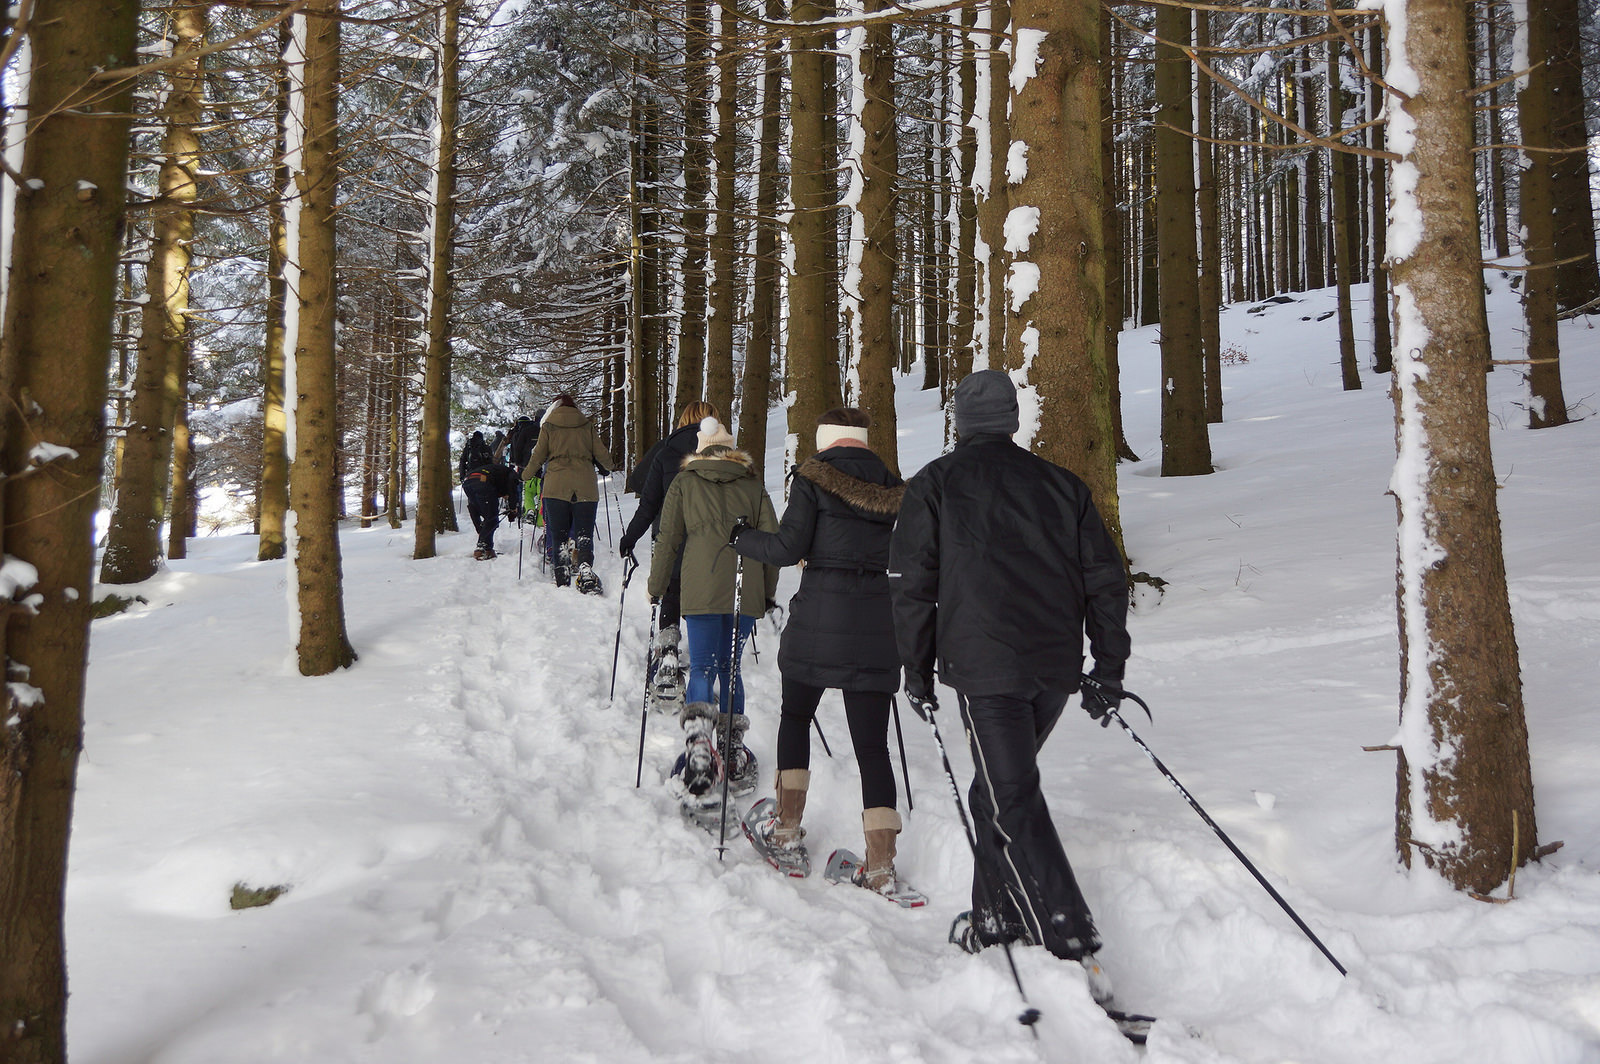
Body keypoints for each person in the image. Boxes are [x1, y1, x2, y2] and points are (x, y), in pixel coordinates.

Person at [888, 369, 1131, 1003]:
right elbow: (1107, 580)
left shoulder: (936, 483)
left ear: (961, 422)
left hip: (986, 668)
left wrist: (915, 670)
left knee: (1010, 793)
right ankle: (994, 916)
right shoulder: (1061, 485)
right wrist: (1106, 667)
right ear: (1012, 419)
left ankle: (1067, 930)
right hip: (1051, 666)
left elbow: (911, 586)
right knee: (993, 788)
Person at [730, 408, 923, 905]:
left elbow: (788, 546)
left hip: (820, 617)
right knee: (872, 747)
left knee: (795, 716)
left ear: (826, 441)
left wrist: (741, 538)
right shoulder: (894, 487)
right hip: (877, 624)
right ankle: (880, 867)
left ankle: (788, 831)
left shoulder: (812, 478)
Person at [648, 416, 779, 801]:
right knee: (730, 667)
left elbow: (667, 538)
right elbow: (772, 542)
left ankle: (699, 744)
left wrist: (656, 587)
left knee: (704, 665)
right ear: (731, 449)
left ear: (701, 448)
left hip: (701, 586)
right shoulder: (753, 485)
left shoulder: (685, 482)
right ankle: (732, 748)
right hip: (746, 587)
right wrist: (766, 593)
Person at [620, 400, 720, 706]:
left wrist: (630, 537)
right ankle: (704, 662)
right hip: (711, 541)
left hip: (669, 537)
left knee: (671, 593)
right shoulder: (723, 454)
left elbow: (648, 503)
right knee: (705, 601)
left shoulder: (664, 452)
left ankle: (668, 651)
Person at [522, 394, 614, 592]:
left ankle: (562, 576)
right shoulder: (587, 425)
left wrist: (526, 475)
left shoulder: (548, 426)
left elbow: (538, 456)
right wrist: (607, 466)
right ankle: (586, 570)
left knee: (558, 534)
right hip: (585, 486)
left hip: (556, 486)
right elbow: (604, 456)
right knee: (584, 532)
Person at [460, 429, 512, 560]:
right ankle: (482, 545)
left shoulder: (468, 447)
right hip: (485, 480)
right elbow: (491, 463)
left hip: (469, 480)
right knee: (491, 516)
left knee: (477, 509)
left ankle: (486, 544)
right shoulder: (485, 447)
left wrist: (463, 477)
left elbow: (462, 462)